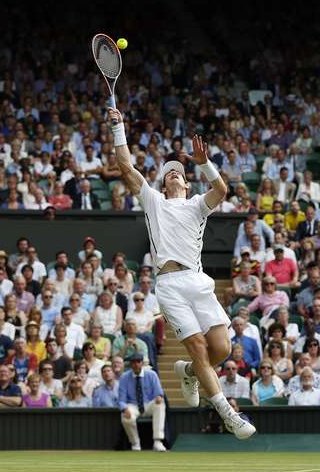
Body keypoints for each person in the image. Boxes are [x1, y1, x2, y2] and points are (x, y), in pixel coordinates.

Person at [108, 107, 254, 439]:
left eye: (179, 173)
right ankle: (228, 413)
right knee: (201, 348)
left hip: (199, 281)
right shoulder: (153, 201)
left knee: (222, 350)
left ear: (187, 184)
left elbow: (221, 192)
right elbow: (126, 168)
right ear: (163, 183)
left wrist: (203, 163)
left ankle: (188, 372)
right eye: (169, 173)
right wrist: (119, 129)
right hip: (170, 286)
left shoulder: (198, 205)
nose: (174, 174)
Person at [118, 353, 167, 451]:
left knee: (160, 404)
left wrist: (159, 397)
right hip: (133, 406)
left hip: (148, 404)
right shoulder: (124, 377)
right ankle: (135, 444)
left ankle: (158, 441)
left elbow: (158, 393)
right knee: (125, 416)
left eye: (138, 362)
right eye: (133, 362)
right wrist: (124, 408)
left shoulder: (152, 374)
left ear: (142, 363)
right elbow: (121, 400)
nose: (136, 365)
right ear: (131, 364)